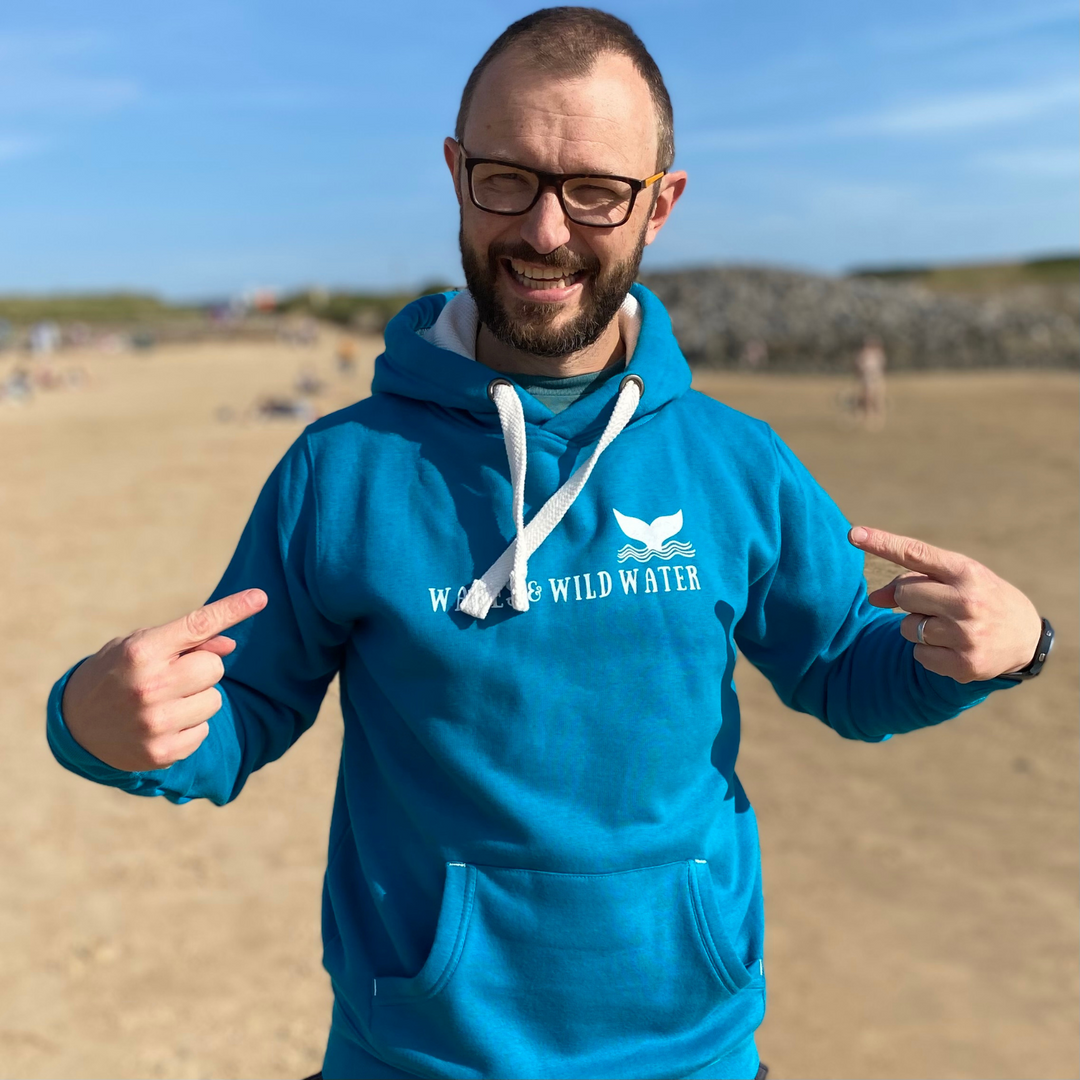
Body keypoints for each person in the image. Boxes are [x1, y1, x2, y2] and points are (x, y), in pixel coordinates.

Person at [47, 9, 1054, 1080]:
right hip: (415, 1057)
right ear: (455, 173)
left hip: (693, 1054)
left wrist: (996, 649)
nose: (545, 230)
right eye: (508, 179)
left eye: (596, 191)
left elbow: (843, 670)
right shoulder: (341, 470)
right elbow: (239, 710)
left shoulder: (735, 462)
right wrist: (97, 724)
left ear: (660, 204)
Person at [854, 334, 887, 429]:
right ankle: (867, 417)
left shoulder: (878, 354)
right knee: (867, 397)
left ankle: (878, 417)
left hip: (876, 377)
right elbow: (859, 367)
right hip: (866, 377)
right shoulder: (862, 354)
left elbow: (881, 366)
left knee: (877, 397)